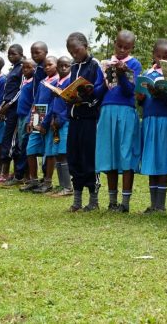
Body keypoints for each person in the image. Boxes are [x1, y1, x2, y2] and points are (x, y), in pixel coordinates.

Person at [95, 30, 143, 213]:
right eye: (119, 46)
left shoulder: (134, 64)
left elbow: (130, 90)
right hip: (107, 111)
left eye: (126, 47)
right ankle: (112, 201)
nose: (122, 50)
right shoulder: (105, 64)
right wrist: (99, 84)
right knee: (110, 155)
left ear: (132, 48)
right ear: (115, 44)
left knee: (126, 155)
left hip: (126, 111)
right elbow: (100, 91)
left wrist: (122, 73)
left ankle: (125, 203)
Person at [137, 39, 167, 213]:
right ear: (153, 55)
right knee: (152, 161)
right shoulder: (147, 73)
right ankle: (152, 204)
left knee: (162, 161)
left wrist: (161, 94)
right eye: (158, 56)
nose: (161, 59)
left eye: (165, 56)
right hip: (149, 120)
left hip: (166, 121)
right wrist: (141, 97)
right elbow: (142, 100)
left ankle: (160, 205)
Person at [65, 32, 102, 213]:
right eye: (70, 52)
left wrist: (86, 98)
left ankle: (93, 199)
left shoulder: (95, 65)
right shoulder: (73, 67)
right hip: (74, 117)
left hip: (89, 118)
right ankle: (77, 198)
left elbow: (101, 91)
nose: (74, 54)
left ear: (86, 46)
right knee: (74, 157)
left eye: (76, 50)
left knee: (89, 157)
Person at [36, 56, 74, 196]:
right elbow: (53, 105)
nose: (64, 68)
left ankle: (68, 187)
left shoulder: (71, 81)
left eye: (67, 65)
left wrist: (61, 119)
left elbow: (69, 104)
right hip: (54, 123)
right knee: (57, 154)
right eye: (61, 66)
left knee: (63, 154)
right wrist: (47, 121)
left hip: (64, 123)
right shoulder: (57, 82)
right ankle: (62, 185)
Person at [21, 55, 59, 192]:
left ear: (57, 66)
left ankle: (48, 182)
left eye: (50, 65)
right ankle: (34, 180)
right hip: (37, 114)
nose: (47, 67)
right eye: (45, 66)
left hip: (49, 118)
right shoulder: (43, 82)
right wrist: (30, 119)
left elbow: (54, 103)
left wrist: (46, 122)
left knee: (49, 151)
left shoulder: (57, 82)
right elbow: (35, 101)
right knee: (30, 148)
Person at [0, 44, 25, 186]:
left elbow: (20, 89)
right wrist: (2, 105)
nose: (11, 57)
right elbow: (8, 90)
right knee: (7, 139)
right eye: (9, 54)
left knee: (11, 141)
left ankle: (9, 174)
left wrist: (9, 104)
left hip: (15, 108)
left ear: (21, 54)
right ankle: (6, 172)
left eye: (14, 54)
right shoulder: (13, 69)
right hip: (7, 108)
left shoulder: (23, 68)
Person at [11, 59, 36, 187]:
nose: (25, 70)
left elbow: (33, 101)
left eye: (28, 67)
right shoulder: (24, 82)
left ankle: (22, 175)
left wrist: (30, 118)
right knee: (20, 145)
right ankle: (24, 175)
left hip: (27, 116)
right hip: (20, 116)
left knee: (25, 145)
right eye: (23, 68)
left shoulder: (34, 83)